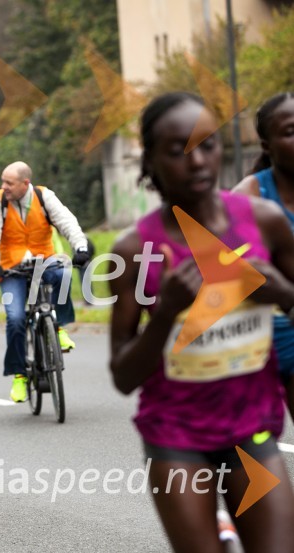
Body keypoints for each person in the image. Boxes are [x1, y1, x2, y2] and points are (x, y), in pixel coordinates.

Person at [109, 92, 294, 552]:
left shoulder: (265, 222)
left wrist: (281, 293)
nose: (197, 161)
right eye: (177, 151)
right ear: (150, 161)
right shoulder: (135, 250)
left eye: (207, 144)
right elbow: (123, 375)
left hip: (252, 430)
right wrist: (166, 311)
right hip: (177, 437)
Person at [0, 161, 90, 402]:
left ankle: (58, 327)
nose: (3, 186)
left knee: (63, 274)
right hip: (10, 268)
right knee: (16, 319)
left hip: (44, 260)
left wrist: (80, 246)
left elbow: (66, 221)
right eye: (3, 181)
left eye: (9, 182)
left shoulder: (43, 196)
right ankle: (19, 376)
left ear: (25, 183)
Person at [233, 91, 294, 420]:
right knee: (249, 453)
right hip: (253, 339)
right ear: (268, 145)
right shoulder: (249, 197)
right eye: (290, 132)